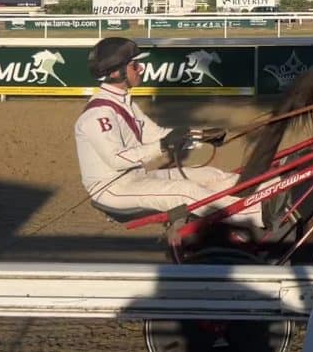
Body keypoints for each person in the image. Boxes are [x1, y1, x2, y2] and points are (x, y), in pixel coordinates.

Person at [74, 37, 266, 234]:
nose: (140, 69)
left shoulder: (125, 103)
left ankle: (268, 191)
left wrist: (200, 136)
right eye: (135, 65)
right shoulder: (98, 114)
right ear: (115, 73)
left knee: (210, 175)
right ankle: (259, 216)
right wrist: (163, 145)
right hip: (112, 191)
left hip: (136, 178)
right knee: (185, 192)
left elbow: (156, 135)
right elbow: (117, 159)